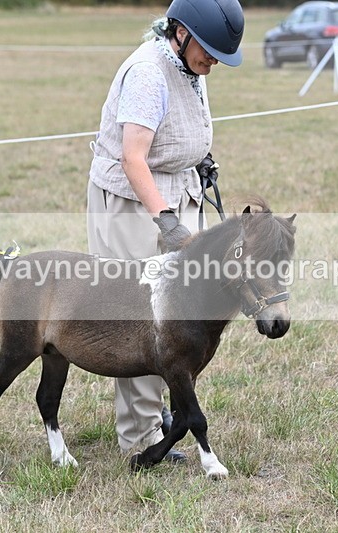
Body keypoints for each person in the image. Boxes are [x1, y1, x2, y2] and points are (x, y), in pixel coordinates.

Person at [86, 0, 245, 461]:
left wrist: (202, 162)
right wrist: (168, 222)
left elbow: (182, 132)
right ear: (180, 32)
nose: (213, 61)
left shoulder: (189, 67)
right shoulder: (148, 73)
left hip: (179, 192)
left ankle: (164, 411)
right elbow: (133, 158)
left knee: (183, 313)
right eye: (210, 51)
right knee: (137, 316)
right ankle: (139, 435)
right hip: (133, 204)